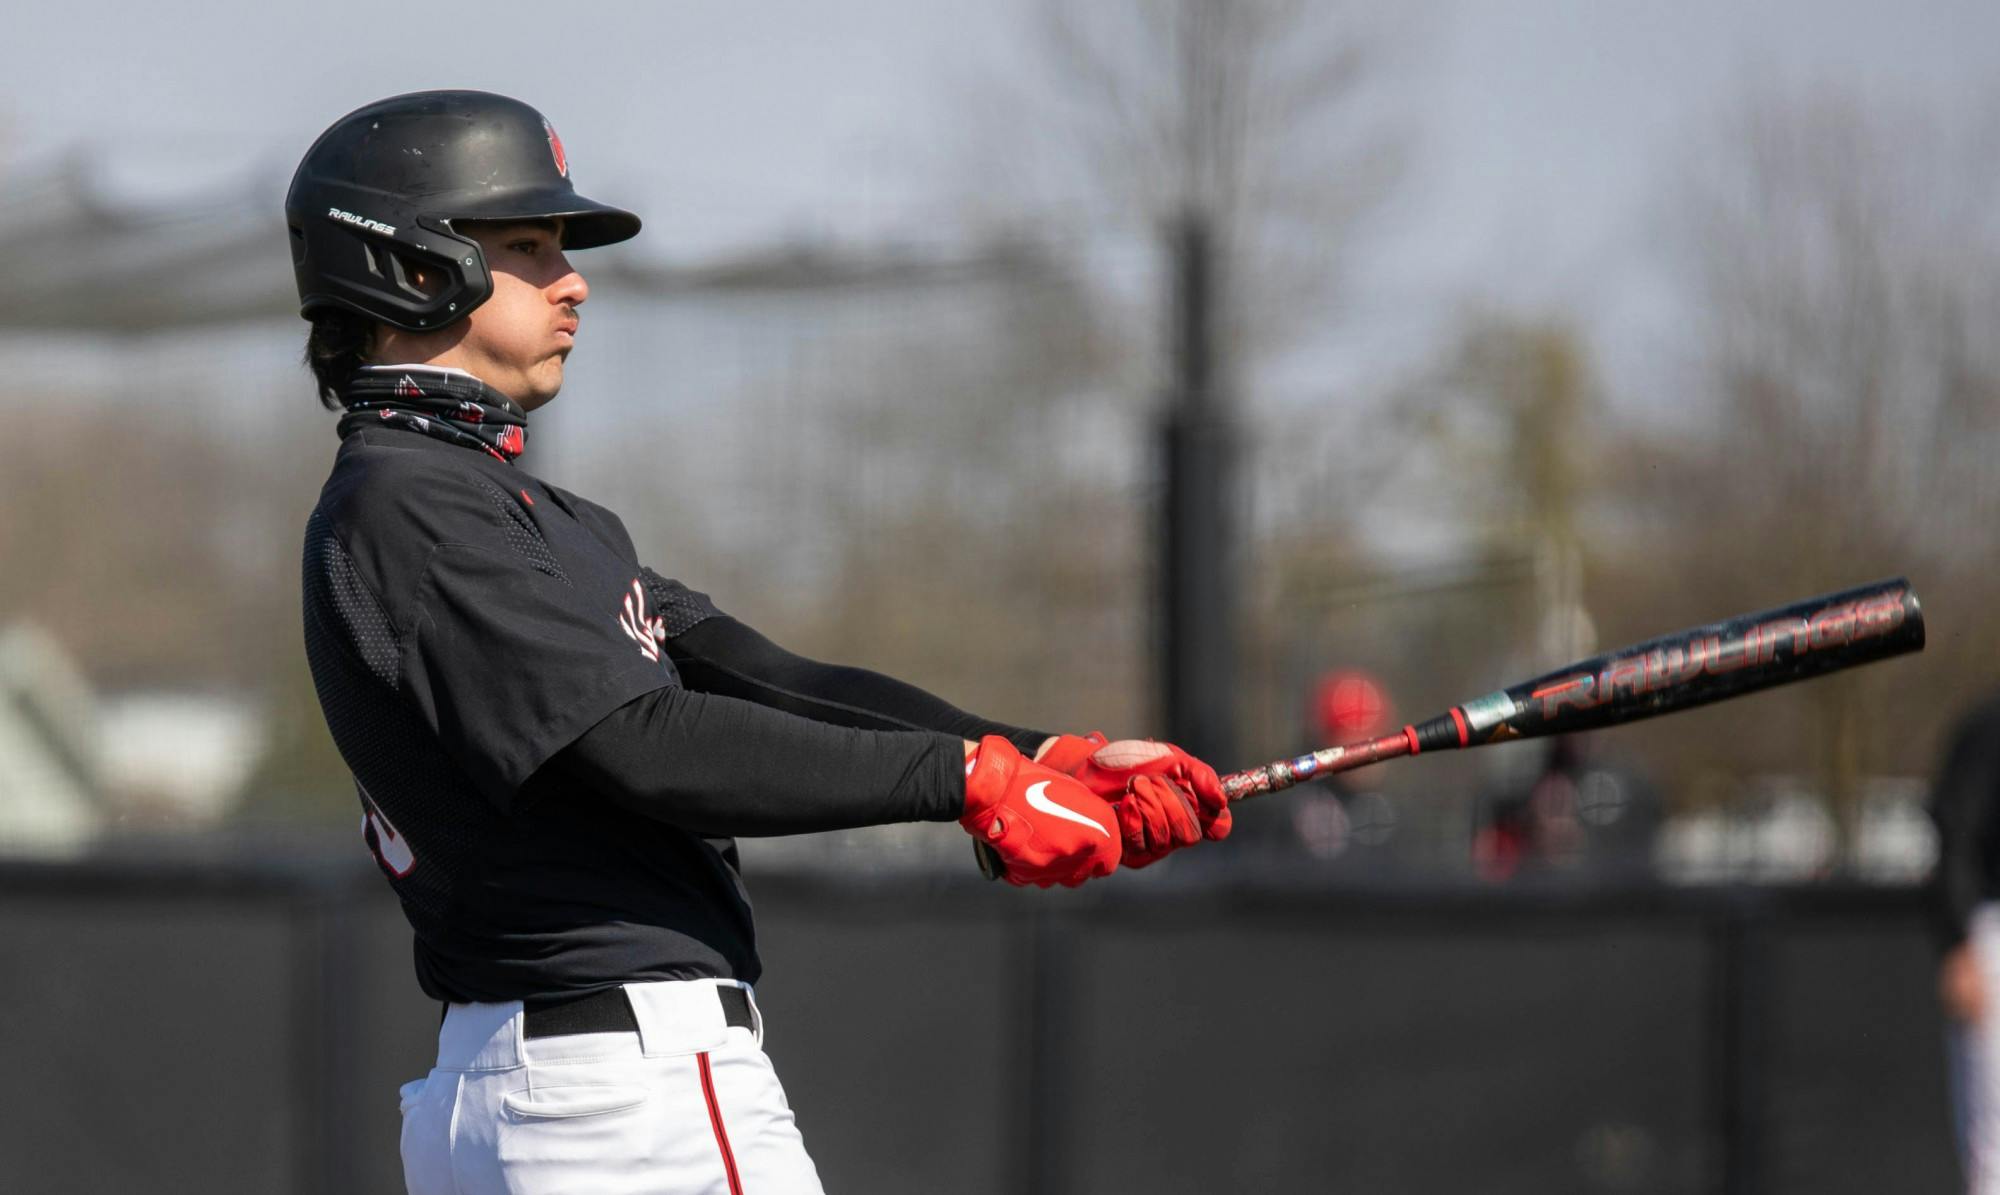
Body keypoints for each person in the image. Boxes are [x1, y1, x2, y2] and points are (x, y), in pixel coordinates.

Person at [290, 90, 1232, 1195]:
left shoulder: (521, 516)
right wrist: (963, 781)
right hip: (619, 1098)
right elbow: (648, 744)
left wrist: (1042, 756)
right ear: (412, 267)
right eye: (531, 248)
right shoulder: (410, 503)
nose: (573, 280)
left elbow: (764, 677)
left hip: (563, 1085)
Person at [1930, 689, 2000, 1194]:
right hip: (1992, 934)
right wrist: (1958, 944)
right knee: (1994, 1144)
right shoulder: (1988, 730)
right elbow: (1954, 832)